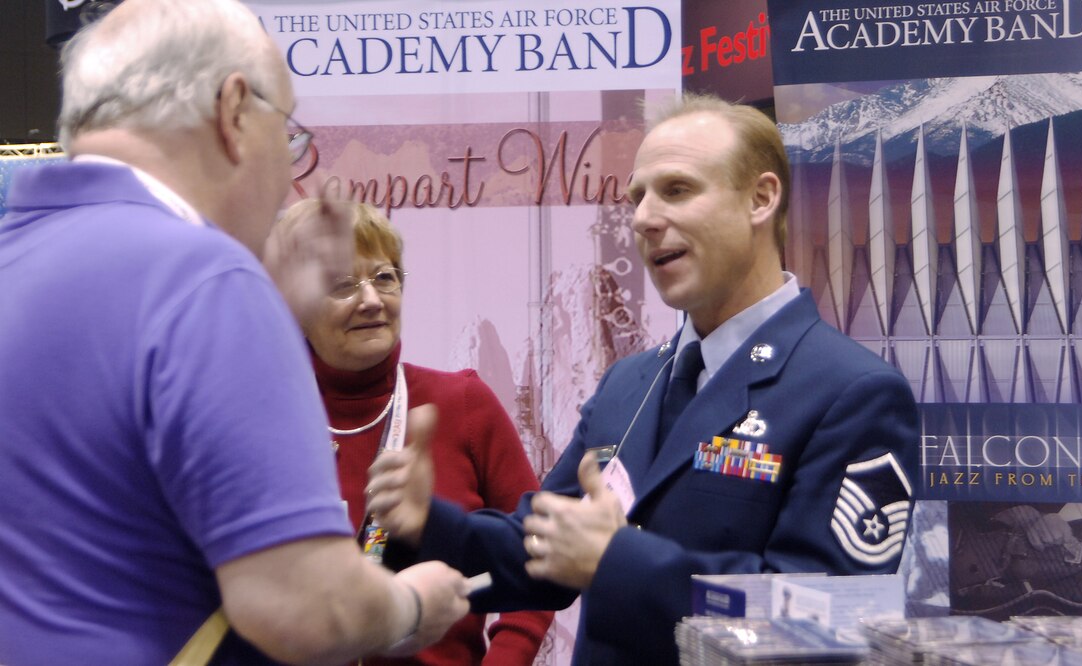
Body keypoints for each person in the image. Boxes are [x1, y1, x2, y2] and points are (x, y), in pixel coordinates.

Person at [367, 93, 921, 665]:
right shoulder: (629, 382)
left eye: (676, 190)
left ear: (760, 199)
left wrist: (615, 562)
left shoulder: (852, 393)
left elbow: (827, 619)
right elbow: (543, 546)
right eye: (637, 197)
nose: (643, 218)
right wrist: (427, 523)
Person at [0, 1, 469, 664]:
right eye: (288, 133)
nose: (288, 173)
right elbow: (303, 607)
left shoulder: (18, 256)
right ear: (234, 110)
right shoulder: (203, 279)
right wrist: (413, 605)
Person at [283, 199, 553, 665]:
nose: (371, 300)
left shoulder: (463, 404)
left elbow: (539, 554)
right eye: (343, 285)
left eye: (384, 277)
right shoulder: (266, 422)